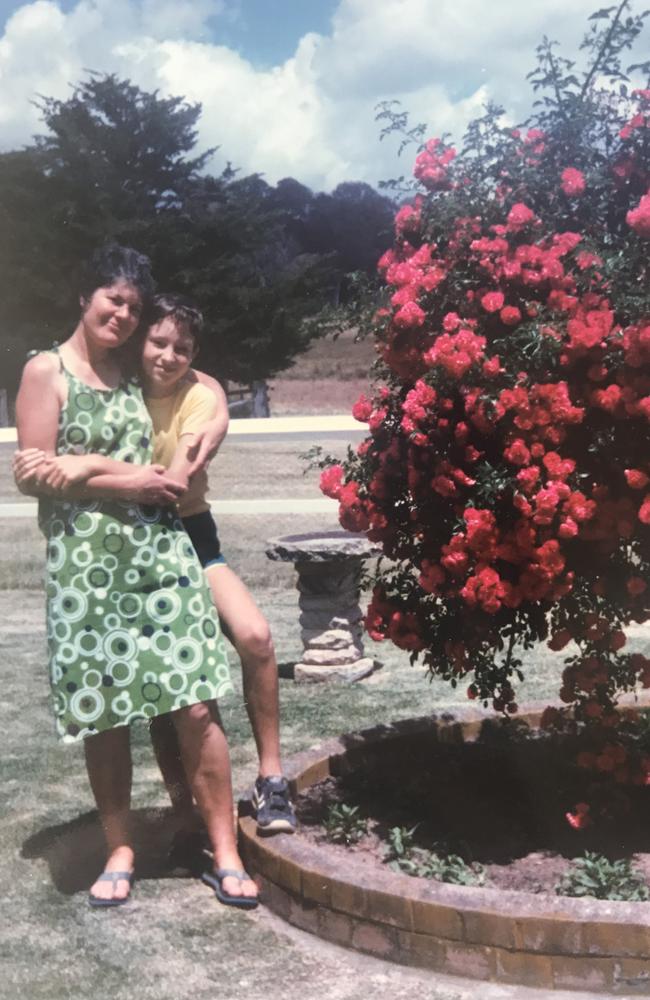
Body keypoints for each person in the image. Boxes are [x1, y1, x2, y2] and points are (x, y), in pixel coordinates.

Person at [14, 244, 258, 909]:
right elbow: (31, 470)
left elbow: (201, 384)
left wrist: (220, 416)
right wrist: (116, 474)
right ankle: (121, 848)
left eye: (131, 305)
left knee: (198, 702)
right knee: (107, 716)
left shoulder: (130, 370)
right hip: (87, 571)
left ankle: (225, 847)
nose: (121, 314)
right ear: (84, 298)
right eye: (111, 300)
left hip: (161, 557)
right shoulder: (47, 369)